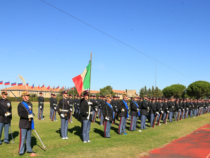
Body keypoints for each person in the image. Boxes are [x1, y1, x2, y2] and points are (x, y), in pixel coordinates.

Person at [18, 91, 35, 155]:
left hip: (29, 123)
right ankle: (21, 151)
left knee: (29, 138)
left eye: (28, 96)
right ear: (23, 97)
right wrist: (27, 116)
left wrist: (32, 114)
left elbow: (31, 111)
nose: (28, 97)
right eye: (27, 96)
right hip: (23, 123)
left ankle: (29, 149)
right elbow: (20, 114)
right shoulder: (21, 104)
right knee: (22, 138)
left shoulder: (30, 104)